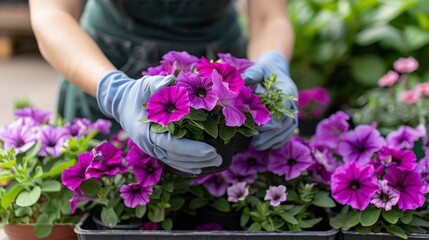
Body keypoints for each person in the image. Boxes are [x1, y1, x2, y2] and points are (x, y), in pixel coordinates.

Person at [29, 0, 298, 174]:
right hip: (99, 64)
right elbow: (51, 12)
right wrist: (114, 91)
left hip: (216, 66)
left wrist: (272, 62)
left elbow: (269, 16)